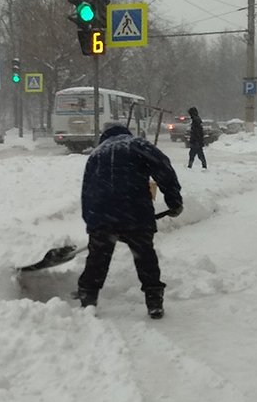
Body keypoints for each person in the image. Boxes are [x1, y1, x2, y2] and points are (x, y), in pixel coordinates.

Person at [76, 123, 183, 319]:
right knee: (145, 256)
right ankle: (154, 301)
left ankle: (88, 297)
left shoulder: (96, 154)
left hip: (102, 213)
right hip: (135, 211)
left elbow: (87, 191)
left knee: (97, 258)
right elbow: (163, 169)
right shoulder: (138, 144)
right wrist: (174, 200)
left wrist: (92, 222)